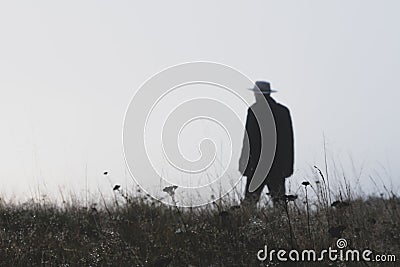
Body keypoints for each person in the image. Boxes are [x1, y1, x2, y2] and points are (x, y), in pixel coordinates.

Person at [239, 81, 294, 207]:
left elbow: (248, 141)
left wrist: (244, 163)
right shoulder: (283, 112)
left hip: (257, 165)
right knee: (280, 203)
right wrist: (288, 166)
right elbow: (288, 142)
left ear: (257, 94)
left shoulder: (254, 111)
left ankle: (246, 226)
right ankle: (283, 227)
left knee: (249, 203)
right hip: (278, 166)